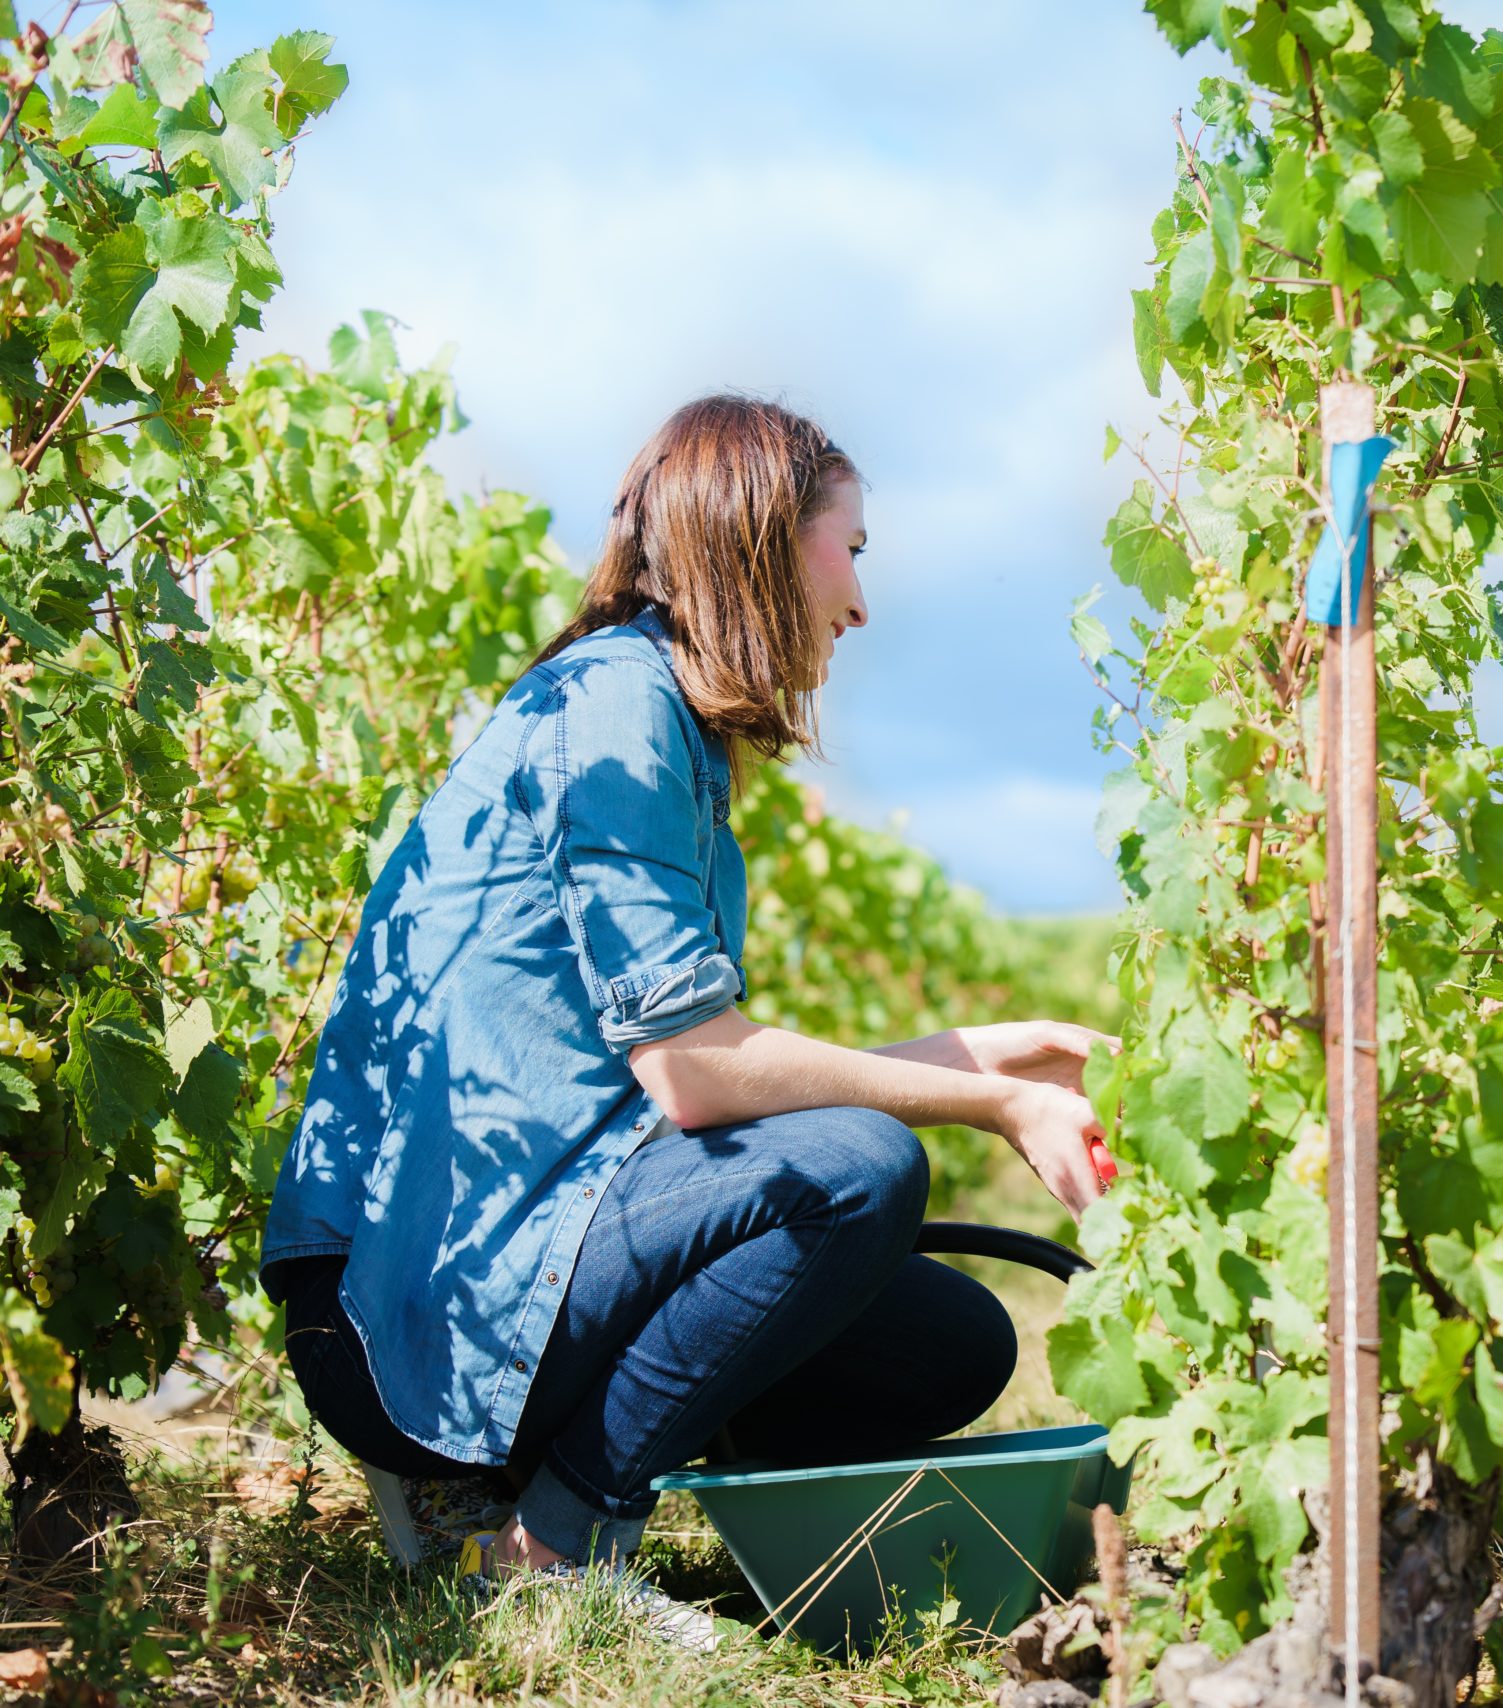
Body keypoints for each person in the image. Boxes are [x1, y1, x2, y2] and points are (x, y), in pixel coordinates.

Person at [260, 396, 1111, 1643]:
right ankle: (553, 1542)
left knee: (952, 1341)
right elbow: (701, 1082)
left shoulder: (658, 724)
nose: (860, 602)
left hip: (517, 1251)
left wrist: (983, 1053)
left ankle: (503, 1475)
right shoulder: (616, 709)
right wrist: (986, 1102)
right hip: (399, 1314)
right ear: (763, 542)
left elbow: (718, 1085)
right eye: (852, 549)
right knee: (861, 1174)